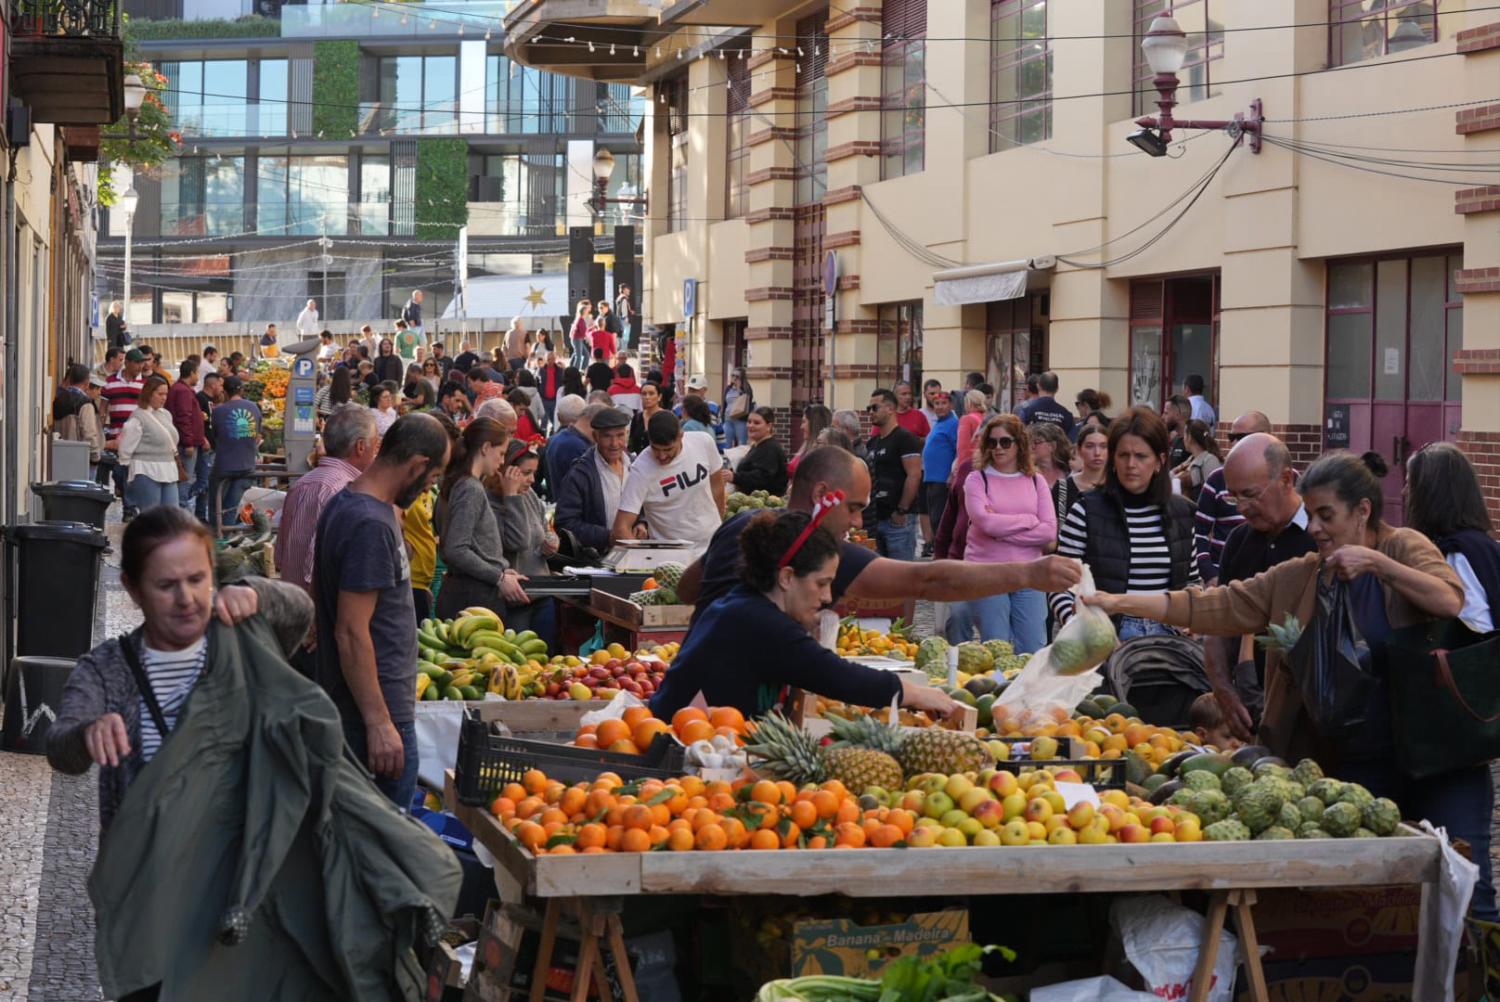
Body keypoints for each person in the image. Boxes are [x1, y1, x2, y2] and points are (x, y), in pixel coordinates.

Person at [1083, 452, 1483, 913]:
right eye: (1311, 515)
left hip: (1438, 757)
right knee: (1370, 895)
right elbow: (1211, 605)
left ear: (1363, 511)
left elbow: (1448, 600)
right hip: (1358, 763)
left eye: (1326, 515)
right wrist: (1118, 601)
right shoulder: (1301, 576)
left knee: (1467, 886)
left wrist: (1377, 564)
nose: (1315, 528)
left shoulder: (1403, 546)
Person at [48, 507, 312, 833]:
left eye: (197, 579)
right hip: (148, 859)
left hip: (243, 857)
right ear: (132, 588)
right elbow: (60, 749)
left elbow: (301, 610)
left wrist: (255, 591)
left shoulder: (240, 641)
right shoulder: (106, 668)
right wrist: (87, 733)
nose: (185, 598)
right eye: (166, 585)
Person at [678, 446, 1083, 627]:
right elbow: (927, 580)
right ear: (822, 494)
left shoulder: (742, 522)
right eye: (853, 507)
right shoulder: (817, 551)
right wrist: (1028, 574)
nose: (857, 522)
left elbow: (686, 589)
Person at [654, 509, 965, 720]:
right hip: (676, 758)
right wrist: (913, 693)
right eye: (821, 583)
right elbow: (838, 677)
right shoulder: (760, 623)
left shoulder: (744, 606)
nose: (828, 597)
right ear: (787, 577)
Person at [313, 413, 448, 810]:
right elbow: (351, 632)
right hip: (374, 712)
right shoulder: (368, 523)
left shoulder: (353, 504)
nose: (429, 488)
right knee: (383, 837)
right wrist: (379, 723)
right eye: (432, 478)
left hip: (368, 707)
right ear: (418, 465)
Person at [1203, 433, 1317, 742]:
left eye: (1250, 495)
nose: (1242, 507)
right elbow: (1218, 623)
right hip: (1250, 714)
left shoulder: (1320, 539)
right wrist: (1223, 690)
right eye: (1233, 497)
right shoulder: (1238, 541)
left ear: (1285, 480)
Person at [1049, 407, 1199, 636]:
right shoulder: (1086, 509)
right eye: (1123, 455)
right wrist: (1079, 624)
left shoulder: (1182, 513)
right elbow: (1060, 584)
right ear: (1113, 459)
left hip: (1167, 635)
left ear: (1159, 461)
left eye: (1141, 456)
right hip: (1106, 632)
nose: (1131, 464)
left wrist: (1191, 617)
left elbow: (1192, 581)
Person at [962, 414, 1055, 652]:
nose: (998, 448)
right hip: (987, 572)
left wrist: (1001, 530)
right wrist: (1028, 520)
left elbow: (1048, 531)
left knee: (1033, 645)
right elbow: (985, 523)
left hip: (1029, 573)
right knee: (996, 645)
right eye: (992, 442)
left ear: (1019, 444)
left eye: (1005, 442)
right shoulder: (977, 479)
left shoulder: (1036, 481)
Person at [275, 404, 380, 597]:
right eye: (376, 443)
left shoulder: (303, 483)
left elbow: (280, 557)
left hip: (292, 600)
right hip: (315, 605)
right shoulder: (344, 490)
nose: (376, 450)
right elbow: (314, 569)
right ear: (360, 446)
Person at [1405, 441, 1500, 637]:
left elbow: (1477, 630)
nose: (1404, 491)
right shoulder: (1480, 543)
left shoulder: (1457, 553)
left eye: (1410, 484)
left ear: (1430, 493)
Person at [434, 417, 525, 621]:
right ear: (485, 448)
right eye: (501, 453)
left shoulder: (460, 483)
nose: (502, 462)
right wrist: (498, 577)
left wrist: (500, 569)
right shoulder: (470, 488)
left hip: (468, 592)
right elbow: (457, 549)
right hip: (472, 596)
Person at [612, 411, 725, 546]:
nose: (662, 456)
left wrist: (719, 529)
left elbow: (717, 488)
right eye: (655, 449)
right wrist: (640, 555)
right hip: (671, 552)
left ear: (681, 436)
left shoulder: (703, 442)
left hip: (712, 542)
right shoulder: (641, 470)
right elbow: (621, 528)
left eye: (668, 449)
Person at [1194, 411, 1273, 585]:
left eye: (1242, 437)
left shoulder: (1285, 479)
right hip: (1224, 580)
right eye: (1232, 437)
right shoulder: (1217, 479)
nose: (1235, 443)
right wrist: (1210, 574)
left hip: (1269, 581)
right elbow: (1198, 532)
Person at [493, 441, 558, 641]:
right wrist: (511, 496)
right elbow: (517, 541)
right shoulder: (492, 501)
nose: (532, 480)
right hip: (514, 600)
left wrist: (551, 543)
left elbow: (546, 529)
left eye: (534, 473)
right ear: (507, 470)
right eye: (526, 473)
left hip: (541, 592)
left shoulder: (530, 495)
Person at [556, 405, 631, 556]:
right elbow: (565, 523)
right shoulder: (580, 474)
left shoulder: (633, 465)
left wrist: (642, 523)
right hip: (597, 559)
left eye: (620, 435)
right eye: (607, 436)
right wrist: (608, 537)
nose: (615, 443)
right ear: (596, 437)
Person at [865, 389, 922, 561]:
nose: (871, 412)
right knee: (878, 573)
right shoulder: (872, 443)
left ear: (890, 409)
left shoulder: (905, 438)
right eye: (869, 408)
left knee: (901, 572)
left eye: (875, 408)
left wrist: (901, 510)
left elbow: (914, 475)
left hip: (898, 521)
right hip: (876, 518)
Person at [118, 374, 181, 514]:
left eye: (166, 394)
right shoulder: (138, 417)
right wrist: (128, 473)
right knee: (151, 514)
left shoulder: (166, 414)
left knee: (172, 514)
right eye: (160, 394)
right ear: (149, 394)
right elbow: (125, 448)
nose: (164, 398)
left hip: (168, 468)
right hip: (145, 469)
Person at [209, 376, 263, 527]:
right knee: (231, 507)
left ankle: (217, 535)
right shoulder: (254, 408)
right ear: (242, 390)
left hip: (224, 466)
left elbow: (215, 436)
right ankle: (227, 533)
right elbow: (258, 436)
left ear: (225, 392)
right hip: (247, 466)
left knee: (216, 506)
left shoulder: (218, 411)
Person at [104, 348, 148, 511]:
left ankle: (129, 508)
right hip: (116, 435)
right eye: (137, 363)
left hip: (137, 437)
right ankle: (124, 495)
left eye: (142, 363)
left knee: (132, 473)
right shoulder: (110, 382)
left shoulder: (145, 384)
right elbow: (102, 409)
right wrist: (103, 431)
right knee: (119, 472)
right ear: (127, 363)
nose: (140, 366)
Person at [919, 390, 957, 555]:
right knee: (934, 519)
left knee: (939, 520)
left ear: (951, 405)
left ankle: (944, 554)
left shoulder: (953, 423)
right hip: (932, 478)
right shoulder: (939, 423)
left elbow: (958, 450)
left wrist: (952, 474)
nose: (940, 407)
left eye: (943, 403)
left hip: (943, 480)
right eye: (937, 404)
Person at [166, 359, 207, 512]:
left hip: (185, 441)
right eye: (197, 373)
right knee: (185, 478)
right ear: (191, 373)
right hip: (185, 444)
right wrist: (188, 442)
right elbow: (183, 417)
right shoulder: (182, 391)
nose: (198, 376)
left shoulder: (181, 389)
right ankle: (182, 508)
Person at [1053, 422, 1108, 533]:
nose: (1097, 453)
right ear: (1079, 450)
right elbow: (1057, 529)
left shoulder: (1118, 486)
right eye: (1090, 446)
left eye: (1103, 446)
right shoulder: (1063, 488)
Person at [53, 362, 104, 472]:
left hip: (57, 454)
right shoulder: (85, 403)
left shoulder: (58, 399)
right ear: (87, 382)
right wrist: (95, 456)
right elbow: (89, 433)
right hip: (80, 457)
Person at [730, 407, 788, 496]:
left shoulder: (771, 448)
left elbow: (762, 478)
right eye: (749, 422)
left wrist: (734, 477)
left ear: (769, 426)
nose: (750, 426)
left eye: (756, 423)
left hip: (765, 502)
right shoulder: (758, 445)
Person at [193, 371, 223, 523]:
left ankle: (200, 515)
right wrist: (203, 438)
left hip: (212, 447)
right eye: (220, 385)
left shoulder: (212, 400)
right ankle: (182, 498)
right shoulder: (200, 398)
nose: (221, 388)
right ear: (213, 385)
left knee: (207, 484)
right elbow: (196, 421)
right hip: (205, 447)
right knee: (203, 482)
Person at [1173, 419, 1222, 494]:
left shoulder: (1209, 460)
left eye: (1184, 435)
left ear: (1189, 437)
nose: (1183, 439)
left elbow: (1214, 490)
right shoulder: (1190, 460)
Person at [1021, 371, 1075, 439]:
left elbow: (1021, 435)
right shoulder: (1066, 414)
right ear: (1057, 389)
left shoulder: (1027, 410)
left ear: (1038, 386)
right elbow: (1071, 440)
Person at [788, 404, 832, 480]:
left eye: (804, 422)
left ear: (814, 424)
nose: (801, 427)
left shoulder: (822, 452)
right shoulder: (806, 446)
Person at [1028, 422, 1072, 494]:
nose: (1031, 447)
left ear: (1053, 446)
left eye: (1036, 442)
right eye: (1029, 443)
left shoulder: (1070, 472)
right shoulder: (1027, 474)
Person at [628, 381, 667, 456]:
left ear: (659, 397)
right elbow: (631, 441)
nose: (647, 397)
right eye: (644, 394)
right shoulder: (637, 417)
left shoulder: (666, 417)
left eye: (651, 393)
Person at [954, 389, 988, 471]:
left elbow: (963, 448)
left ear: (968, 403)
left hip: (969, 465)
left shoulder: (966, 419)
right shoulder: (986, 419)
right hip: (983, 464)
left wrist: (961, 470)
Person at [722, 368, 752, 448]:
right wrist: (722, 418)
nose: (734, 378)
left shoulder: (746, 388)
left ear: (742, 377)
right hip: (728, 419)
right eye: (733, 375)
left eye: (737, 376)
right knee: (726, 443)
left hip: (740, 419)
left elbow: (747, 400)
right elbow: (725, 404)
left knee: (742, 443)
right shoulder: (728, 388)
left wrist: (739, 388)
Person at [1163, 394, 1191, 469]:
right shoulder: (1175, 440)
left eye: (1166, 413)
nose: (1163, 417)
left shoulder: (1192, 442)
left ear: (1178, 415)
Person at [569, 300, 593, 365]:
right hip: (577, 339)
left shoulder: (581, 318)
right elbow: (583, 331)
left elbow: (583, 330)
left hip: (578, 338)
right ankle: (575, 369)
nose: (590, 308)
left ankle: (573, 368)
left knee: (581, 354)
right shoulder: (580, 319)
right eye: (588, 308)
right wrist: (589, 339)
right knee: (578, 356)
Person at [615, 284, 636, 348]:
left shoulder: (619, 298)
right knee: (625, 337)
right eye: (628, 289)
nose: (629, 291)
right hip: (624, 320)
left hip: (619, 319)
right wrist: (626, 317)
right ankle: (623, 350)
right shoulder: (624, 298)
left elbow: (621, 309)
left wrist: (630, 311)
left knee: (621, 337)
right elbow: (624, 310)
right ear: (624, 290)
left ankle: (621, 350)